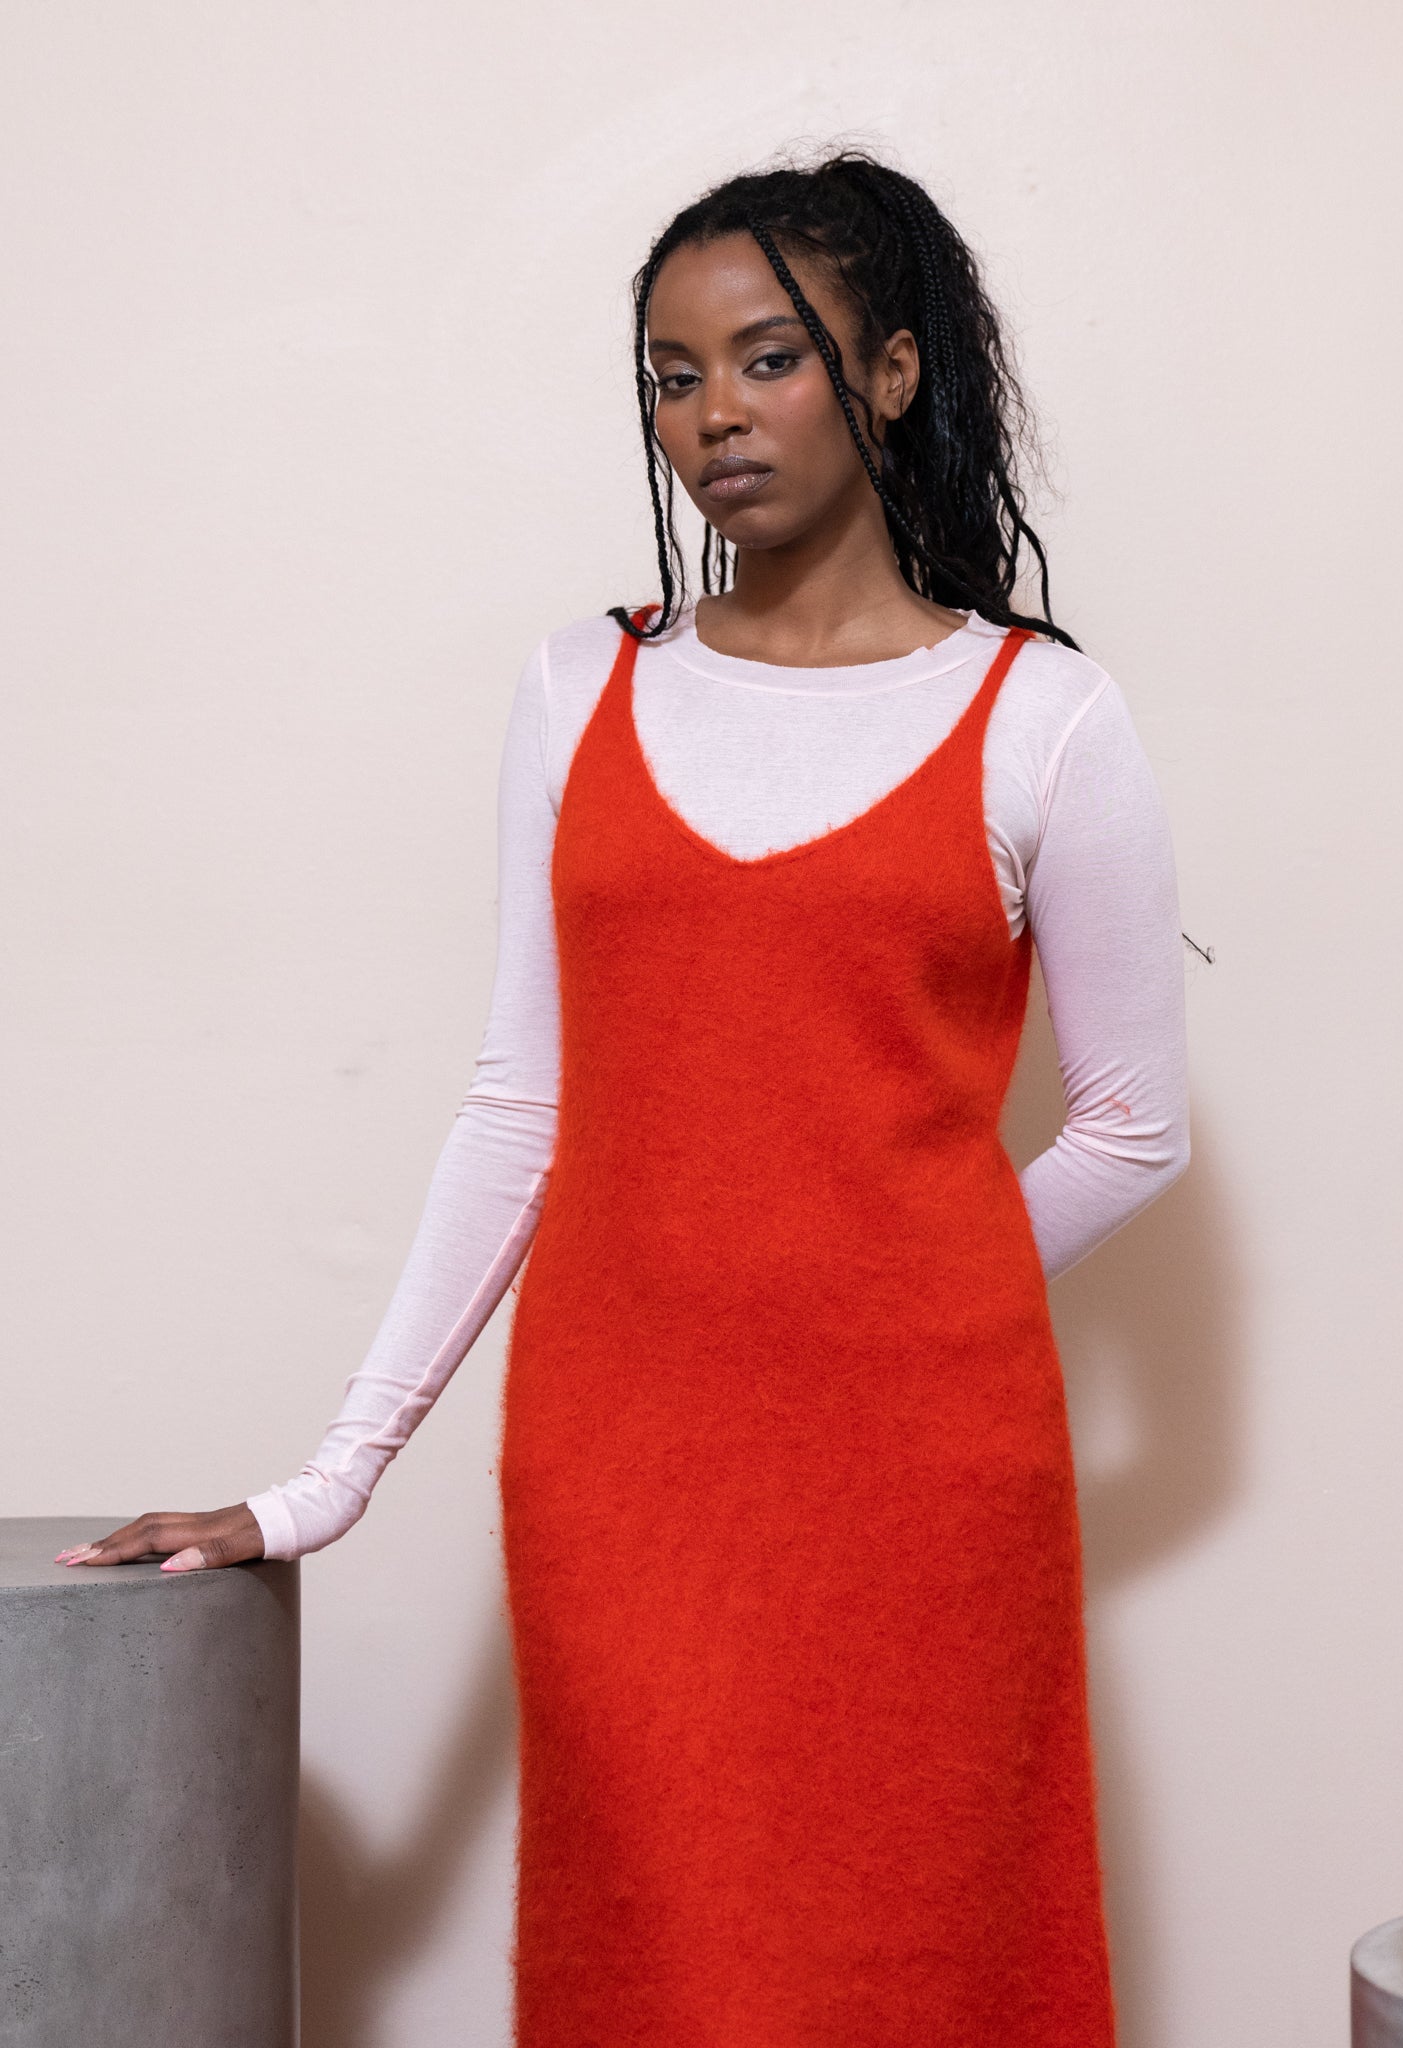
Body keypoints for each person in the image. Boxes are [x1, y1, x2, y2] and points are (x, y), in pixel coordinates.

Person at [60, 147, 1189, 2044]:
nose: (715, 413)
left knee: (916, 1950)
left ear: (893, 369)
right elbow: (524, 1104)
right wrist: (323, 1484)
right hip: (619, 1457)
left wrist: (902, 1281)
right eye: (674, 375)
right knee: (657, 1955)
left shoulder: (1047, 721)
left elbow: (1137, 1129)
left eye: (770, 358)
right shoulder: (582, 685)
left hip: (920, 1468)